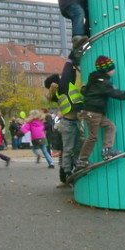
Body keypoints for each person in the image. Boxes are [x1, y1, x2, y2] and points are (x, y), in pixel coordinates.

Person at [75, 56, 125, 170]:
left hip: (94, 112)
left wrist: (83, 87)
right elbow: (118, 95)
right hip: (93, 112)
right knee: (93, 137)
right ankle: (82, 160)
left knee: (110, 126)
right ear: (106, 70)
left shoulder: (94, 79)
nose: (114, 70)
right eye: (112, 68)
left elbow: (85, 91)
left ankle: (107, 150)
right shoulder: (104, 83)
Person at [44, 55, 85, 183]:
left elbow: (70, 73)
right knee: (72, 149)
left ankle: (68, 171)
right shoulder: (63, 86)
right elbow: (67, 70)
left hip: (70, 121)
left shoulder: (60, 91)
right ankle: (69, 172)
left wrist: (73, 65)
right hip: (71, 122)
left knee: (70, 149)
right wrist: (71, 57)